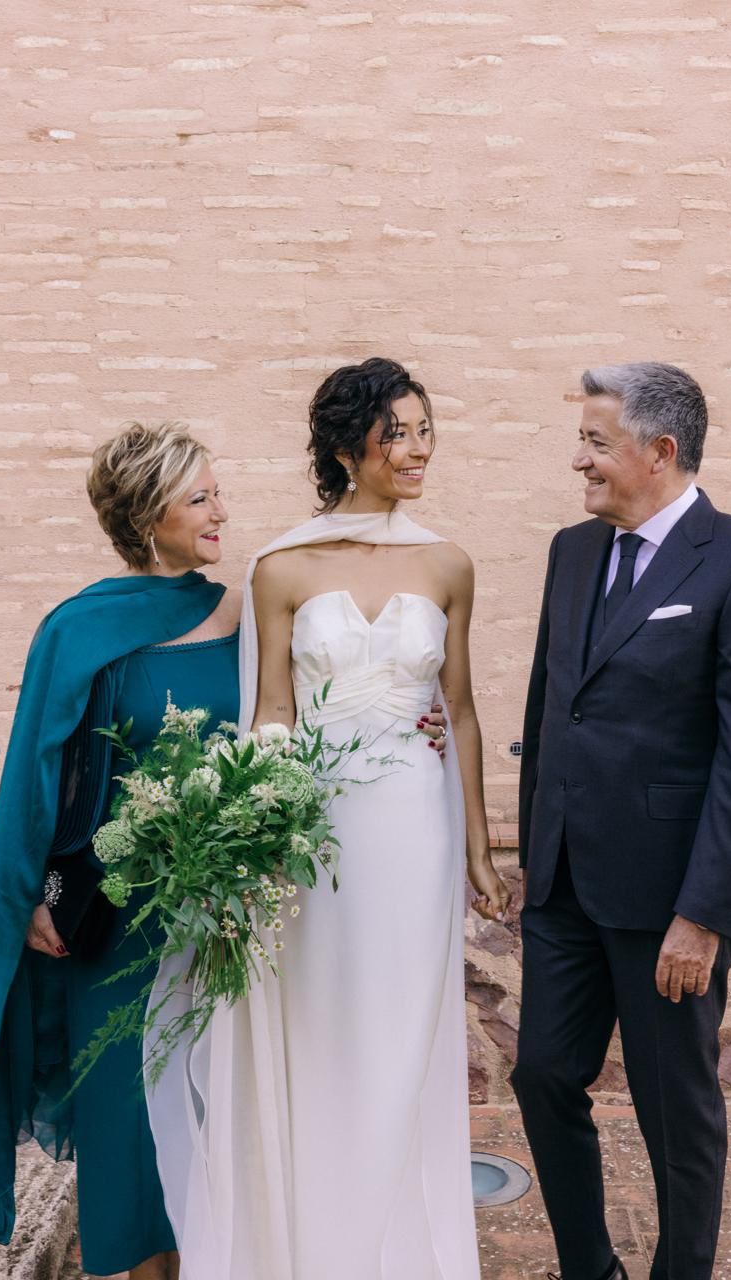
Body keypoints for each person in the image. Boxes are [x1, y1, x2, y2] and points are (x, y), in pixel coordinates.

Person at [147, 357, 511, 1280]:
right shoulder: (280, 566)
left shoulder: (449, 562)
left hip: (416, 828)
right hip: (314, 832)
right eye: (399, 433)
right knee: (317, 1020)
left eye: (427, 430)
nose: (419, 449)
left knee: (404, 1024)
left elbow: (459, 708)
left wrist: (475, 841)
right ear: (349, 448)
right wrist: (258, 825)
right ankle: (312, 1239)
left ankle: (398, 1248)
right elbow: (271, 708)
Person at [510, 362, 731, 1280]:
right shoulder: (571, 551)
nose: (579, 462)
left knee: (674, 1108)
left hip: (669, 902)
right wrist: (532, 854)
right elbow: (548, 707)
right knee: (543, 1076)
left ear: (661, 451)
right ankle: (589, 1268)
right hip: (563, 887)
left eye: (597, 442)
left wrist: (708, 911)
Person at [0, 422, 243, 1280]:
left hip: (228, 911)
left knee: (219, 1111)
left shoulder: (241, 610)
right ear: (146, 514)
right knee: (126, 1121)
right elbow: (38, 780)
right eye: (200, 497)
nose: (221, 510)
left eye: (216, 490)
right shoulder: (79, 628)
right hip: (114, 917)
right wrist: (35, 894)